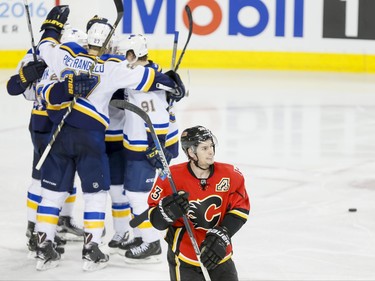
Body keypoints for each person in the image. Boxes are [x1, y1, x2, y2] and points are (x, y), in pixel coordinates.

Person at [33, 6, 185, 271]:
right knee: (96, 194)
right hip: (91, 140)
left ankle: (43, 246)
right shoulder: (110, 67)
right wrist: (170, 82)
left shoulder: (65, 55)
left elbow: (46, 47)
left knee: (52, 193)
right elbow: (147, 77)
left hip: (60, 136)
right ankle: (92, 250)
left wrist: (51, 27)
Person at [5, 24, 88, 256]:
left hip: (68, 126)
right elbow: (19, 88)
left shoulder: (70, 60)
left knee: (66, 175)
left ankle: (60, 221)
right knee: (42, 179)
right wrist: (28, 74)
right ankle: (34, 230)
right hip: (44, 126)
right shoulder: (43, 56)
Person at [109, 34, 181, 263]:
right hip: (134, 145)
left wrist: (155, 147)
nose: (122, 59)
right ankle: (142, 236)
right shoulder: (143, 74)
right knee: (133, 193)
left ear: (134, 54)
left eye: (125, 55)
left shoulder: (145, 78)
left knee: (136, 195)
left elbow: (157, 118)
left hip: (145, 148)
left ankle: (152, 243)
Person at [147, 126, 250, 281]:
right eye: (204, 148)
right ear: (191, 152)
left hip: (219, 252)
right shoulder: (170, 177)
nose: (211, 151)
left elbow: (240, 209)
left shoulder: (231, 175)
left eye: (211, 146)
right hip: (184, 256)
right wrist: (168, 211)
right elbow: (155, 219)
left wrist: (223, 234)